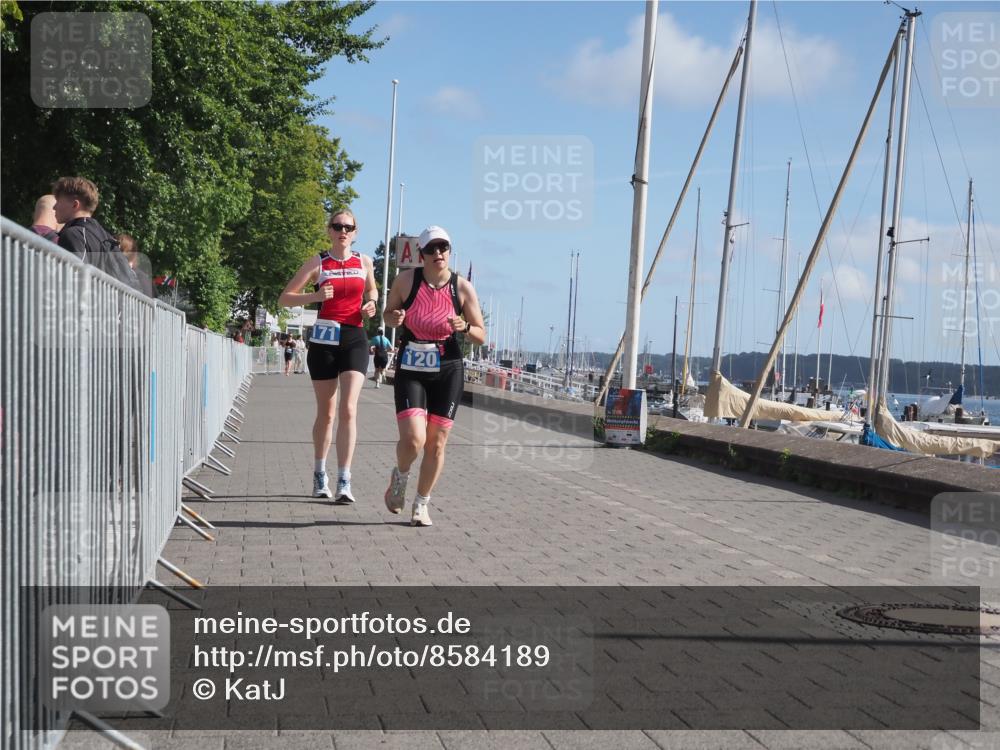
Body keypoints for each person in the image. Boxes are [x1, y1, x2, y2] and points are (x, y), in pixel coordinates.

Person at [382, 226, 485, 527]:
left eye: (443, 248)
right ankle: (400, 477)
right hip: (412, 363)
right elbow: (387, 314)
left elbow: (481, 335)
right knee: (414, 439)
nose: (438, 253)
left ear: (450, 251)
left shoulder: (462, 288)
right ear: (422, 254)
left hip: (447, 365)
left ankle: (421, 503)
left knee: (436, 443)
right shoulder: (406, 281)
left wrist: (465, 327)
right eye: (431, 249)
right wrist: (394, 318)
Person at [278, 209, 377, 502]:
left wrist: (371, 304)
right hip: (324, 339)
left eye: (348, 227)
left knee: (349, 409)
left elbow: (372, 290)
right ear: (329, 230)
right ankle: (320, 474)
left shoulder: (364, 262)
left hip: (354, 337)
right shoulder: (318, 262)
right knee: (327, 412)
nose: (343, 231)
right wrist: (316, 297)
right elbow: (284, 298)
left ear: (355, 232)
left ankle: (345, 479)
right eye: (337, 226)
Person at [52, 176, 142, 293]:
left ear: (75, 205)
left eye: (58, 201)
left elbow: (74, 284)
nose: (54, 207)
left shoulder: (73, 235)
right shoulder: (108, 239)